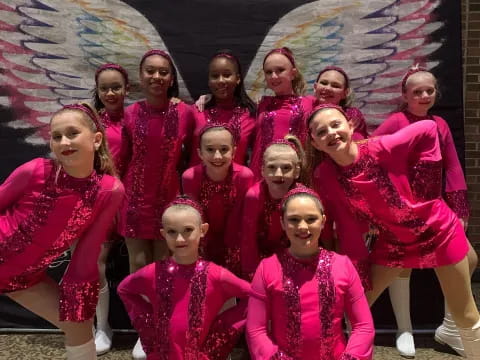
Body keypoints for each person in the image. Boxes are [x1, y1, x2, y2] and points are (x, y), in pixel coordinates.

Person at [307, 103, 480, 359]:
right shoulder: (326, 174)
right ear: (316, 143)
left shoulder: (381, 148)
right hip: (395, 242)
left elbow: (428, 127)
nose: (331, 133)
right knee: (356, 306)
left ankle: (459, 336)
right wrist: (359, 266)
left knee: (465, 312)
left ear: (350, 125)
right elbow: (346, 225)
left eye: (335, 124)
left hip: (438, 232)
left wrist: (425, 193)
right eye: (322, 132)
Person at [0, 103, 124, 360]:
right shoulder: (36, 170)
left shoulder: (109, 190)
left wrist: (79, 298)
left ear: (96, 139)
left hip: (24, 280)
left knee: (79, 327)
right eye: (57, 137)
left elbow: (86, 253)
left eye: (72, 133)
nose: (64, 141)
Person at [246, 185, 374, 359]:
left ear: (323, 221)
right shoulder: (267, 268)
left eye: (311, 219)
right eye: (294, 220)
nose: (303, 227)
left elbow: (363, 326)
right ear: (283, 223)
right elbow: (256, 330)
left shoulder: (343, 265)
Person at [118, 196, 251, 360]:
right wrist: (149, 325)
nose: (180, 239)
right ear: (163, 234)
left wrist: (220, 333)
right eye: (172, 232)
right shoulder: (153, 272)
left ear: (202, 230)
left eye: (188, 230)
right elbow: (124, 289)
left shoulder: (216, 274)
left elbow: (254, 296)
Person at [91, 62, 130, 355]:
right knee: (96, 262)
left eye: (116, 87)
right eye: (105, 88)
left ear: (127, 89)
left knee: (141, 264)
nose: (111, 93)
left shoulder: (137, 116)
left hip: (134, 200)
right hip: (102, 199)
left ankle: (145, 329)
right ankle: (101, 326)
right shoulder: (91, 123)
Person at [182, 124, 254, 272]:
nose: (217, 156)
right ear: (200, 153)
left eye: (224, 149)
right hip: (203, 240)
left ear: (233, 152)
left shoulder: (244, 176)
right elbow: (195, 216)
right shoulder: (190, 177)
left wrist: (231, 253)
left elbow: (240, 216)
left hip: (234, 242)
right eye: (210, 150)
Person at [240, 134, 304, 280]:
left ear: (297, 171)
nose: (278, 174)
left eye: (286, 168)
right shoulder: (254, 196)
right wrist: (252, 274)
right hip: (261, 261)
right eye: (272, 167)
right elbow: (248, 239)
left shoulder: (302, 198)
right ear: (262, 170)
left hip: (294, 259)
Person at [249, 47, 315, 178]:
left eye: (280, 70)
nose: (274, 76)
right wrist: (207, 99)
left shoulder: (310, 103)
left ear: (293, 73)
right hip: (262, 176)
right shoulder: (261, 104)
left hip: (297, 175)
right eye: (269, 72)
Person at [189, 49, 256, 166]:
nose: (220, 80)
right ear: (209, 81)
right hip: (196, 182)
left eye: (226, 75)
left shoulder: (251, 114)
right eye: (215, 76)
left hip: (237, 182)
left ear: (238, 78)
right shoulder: (197, 111)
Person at [312, 66, 369, 139]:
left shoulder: (352, 115)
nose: (328, 88)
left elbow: (358, 144)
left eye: (335, 86)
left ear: (345, 93)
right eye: (324, 83)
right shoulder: (305, 109)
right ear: (315, 87)